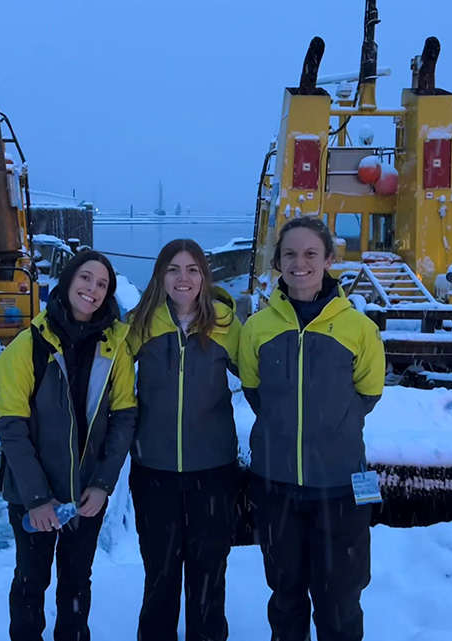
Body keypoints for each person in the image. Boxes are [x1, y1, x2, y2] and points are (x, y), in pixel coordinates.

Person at [238, 216, 385, 641]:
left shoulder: (359, 328)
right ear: (277, 262)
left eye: (309, 254)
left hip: (340, 487)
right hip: (275, 485)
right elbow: (254, 391)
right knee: (285, 597)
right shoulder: (258, 329)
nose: (298, 263)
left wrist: (327, 431)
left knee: (339, 599)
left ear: (329, 260)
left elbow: (368, 394)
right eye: (289, 254)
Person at [0, 250, 137, 641]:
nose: (92, 289)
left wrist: (103, 484)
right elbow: (11, 427)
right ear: (68, 280)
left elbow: (124, 418)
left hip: (86, 492)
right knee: (31, 579)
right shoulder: (27, 346)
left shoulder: (114, 349)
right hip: (32, 493)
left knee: (76, 583)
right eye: (86, 278)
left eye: (102, 284)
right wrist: (37, 498)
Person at [126, 238, 242, 641]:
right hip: (153, 470)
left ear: (204, 276)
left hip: (213, 471)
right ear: (161, 275)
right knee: (160, 572)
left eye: (192, 269)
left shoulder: (226, 323)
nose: (183, 278)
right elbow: (109, 382)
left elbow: (263, 379)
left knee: (209, 572)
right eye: (173, 269)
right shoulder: (140, 323)